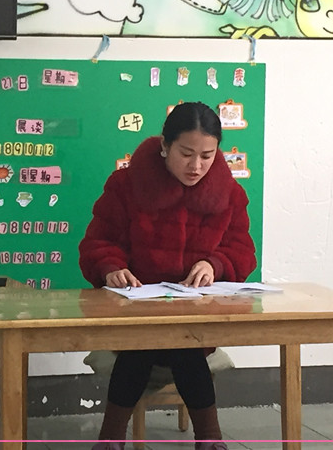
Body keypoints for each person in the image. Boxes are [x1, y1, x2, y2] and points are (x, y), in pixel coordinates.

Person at [78, 102, 256, 450]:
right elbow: (98, 242)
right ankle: (207, 440)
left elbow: (242, 251)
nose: (196, 166)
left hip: (195, 316)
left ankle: (114, 440)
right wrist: (112, 268)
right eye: (186, 154)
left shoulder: (229, 194)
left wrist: (215, 264)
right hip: (135, 313)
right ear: (164, 146)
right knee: (146, 343)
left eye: (207, 156)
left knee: (184, 342)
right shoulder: (126, 185)